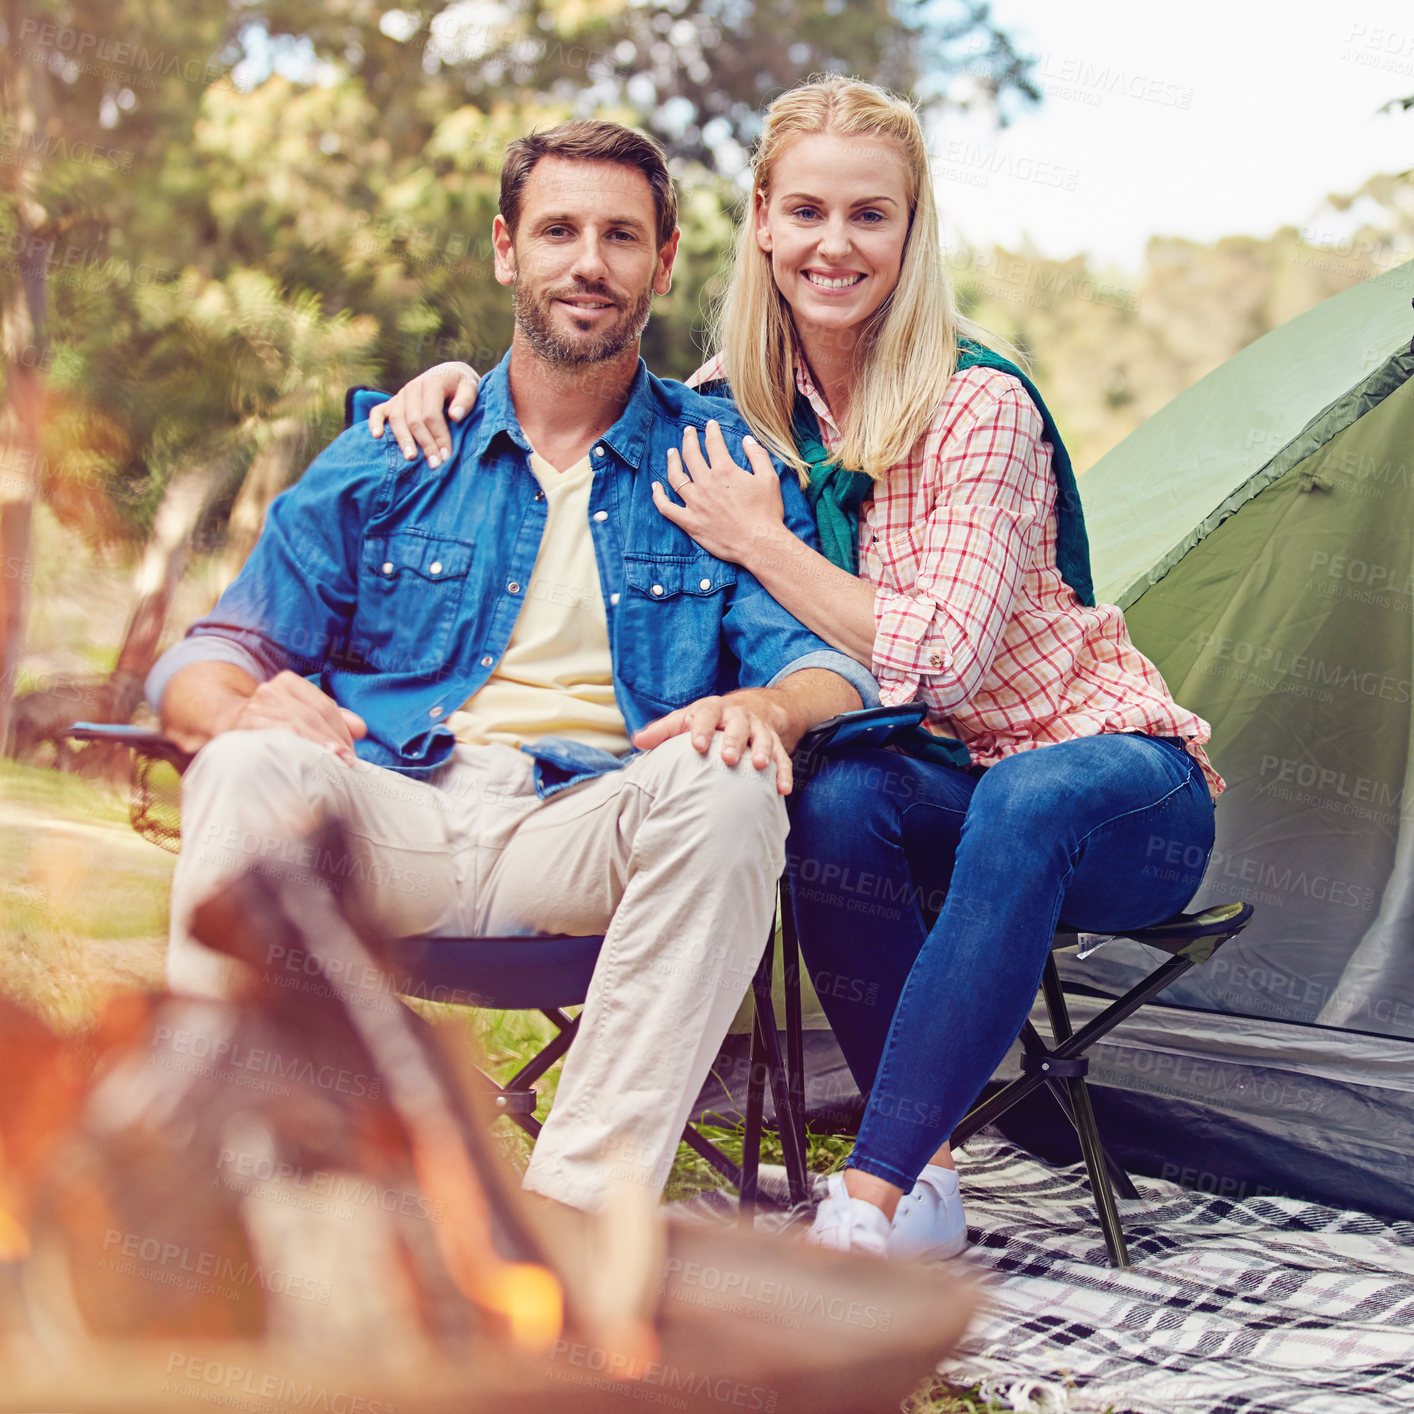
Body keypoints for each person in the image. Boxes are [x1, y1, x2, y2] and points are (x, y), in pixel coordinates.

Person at [370, 77, 1222, 1260]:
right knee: (831, 799)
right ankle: (918, 1180)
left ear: (910, 234)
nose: (835, 244)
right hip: (931, 789)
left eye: (870, 216)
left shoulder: (978, 404)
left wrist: (761, 538)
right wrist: (450, 395)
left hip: (1108, 789)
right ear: (761, 220)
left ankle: (860, 1210)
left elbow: (937, 654)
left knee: (1029, 795)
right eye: (807, 211)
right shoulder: (731, 411)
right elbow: (578, 407)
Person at [146, 118, 878, 1216]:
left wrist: (766, 707)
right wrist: (245, 703)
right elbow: (209, 654)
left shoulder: (715, 462)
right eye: (559, 231)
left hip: (584, 827)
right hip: (394, 814)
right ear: (506, 247)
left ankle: (572, 1218)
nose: (589, 262)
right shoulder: (398, 447)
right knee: (246, 767)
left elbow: (828, 664)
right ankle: (228, 1191)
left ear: (663, 261)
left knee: (730, 789)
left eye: (621, 236)